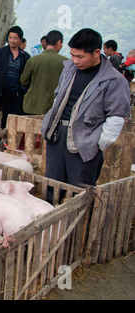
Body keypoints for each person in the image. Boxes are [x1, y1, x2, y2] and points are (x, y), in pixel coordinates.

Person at [41, 28, 131, 191]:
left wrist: (98, 142)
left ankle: (79, 216)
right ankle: (53, 211)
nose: (74, 60)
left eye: (80, 56)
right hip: (57, 133)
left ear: (96, 52)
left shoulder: (114, 80)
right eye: (72, 55)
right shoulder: (69, 70)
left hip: (84, 139)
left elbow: (116, 117)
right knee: (52, 183)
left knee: (80, 188)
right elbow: (58, 97)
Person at [0, 26, 30, 135]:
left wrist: (21, 90)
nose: (12, 40)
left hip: (14, 95)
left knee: (8, 125)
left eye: (15, 38)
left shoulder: (25, 57)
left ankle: (3, 146)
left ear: (20, 40)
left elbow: (26, 76)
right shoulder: (0, 52)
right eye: (10, 38)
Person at [20, 30, 69, 115]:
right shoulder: (66, 63)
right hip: (54, 108)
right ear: (59, 43)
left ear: (46, 42)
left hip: (32, 105)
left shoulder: (34, 60)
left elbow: (23, 80)